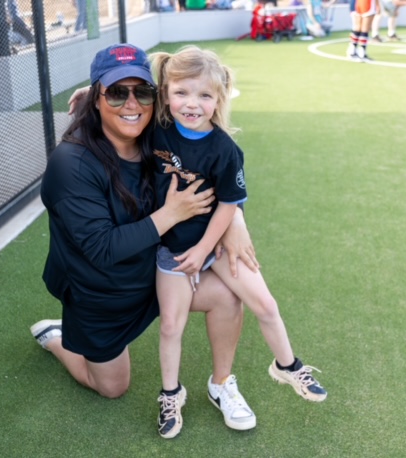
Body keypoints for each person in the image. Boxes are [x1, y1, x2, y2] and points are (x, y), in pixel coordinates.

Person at [31, 43, 260, 438]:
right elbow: (101, 249)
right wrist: (169, 215)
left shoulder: (156, 135)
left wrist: (235, 217)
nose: (131, 104)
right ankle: (59, 338)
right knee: (112, 388)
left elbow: (216, 176)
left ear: (158, 98)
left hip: (156, 275)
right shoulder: (71, 165)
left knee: (227, 293)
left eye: (143, 92)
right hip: (104, 293)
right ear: (99, 99)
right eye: (117, 92)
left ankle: (221, 383)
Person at [148, 45, 327, 439]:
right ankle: (170, 394)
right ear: (166, 92)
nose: (192, 104)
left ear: (219, 99)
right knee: (171, 327)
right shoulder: (156, 130)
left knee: (265, 303)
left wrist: (204, 249)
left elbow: (229, 203)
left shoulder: (226, 149)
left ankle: (288, 366)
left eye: (205, 95)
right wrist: (88, 97)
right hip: (170, 253)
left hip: (215, 247)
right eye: (182, 93)